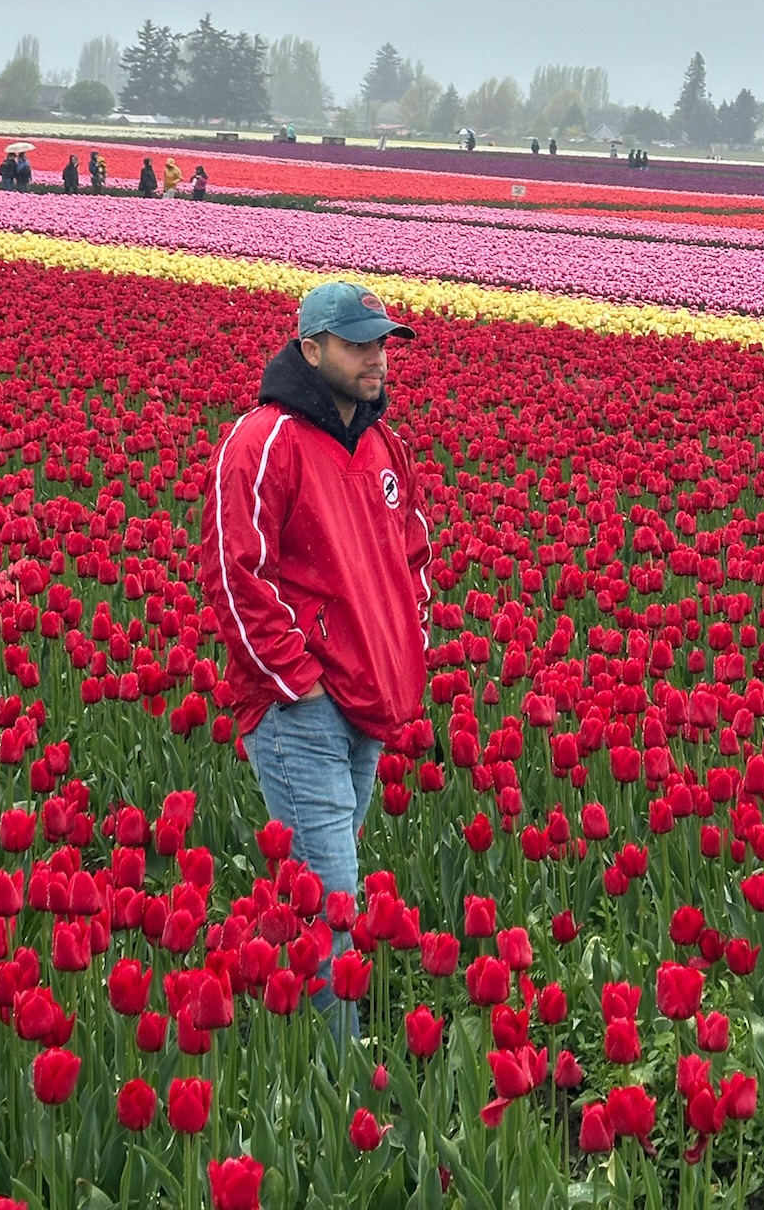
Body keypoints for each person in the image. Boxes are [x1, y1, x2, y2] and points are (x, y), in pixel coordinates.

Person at [202, 281, 429, 1044]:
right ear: (311, 349)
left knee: (321, 896)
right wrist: (295, 681)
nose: (377, 359)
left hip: (368, 701)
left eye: (383, 343)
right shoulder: (262, 441)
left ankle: (281, 1037)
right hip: (302, 711)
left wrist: (407, 646)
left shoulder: (380, 443)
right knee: (334, 902)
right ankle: (339, 1087)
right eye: (360, 343)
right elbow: (239, 572)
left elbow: (412, 555)